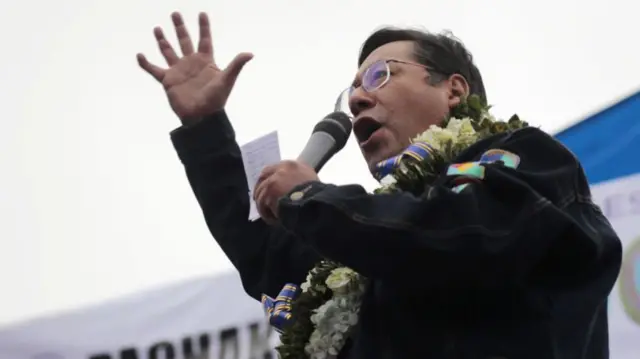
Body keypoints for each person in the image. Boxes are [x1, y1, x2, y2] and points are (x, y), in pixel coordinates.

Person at [138, 11, 623, 359]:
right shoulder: (359, 242)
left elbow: (465, 236)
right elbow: (265, 251)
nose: (358, 100)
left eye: (379, 75)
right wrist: (205, 128)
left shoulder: (528, 160)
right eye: (351, 92)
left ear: (453, 89)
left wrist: (309, 198)